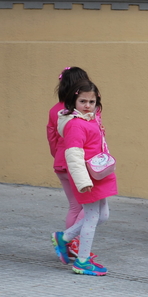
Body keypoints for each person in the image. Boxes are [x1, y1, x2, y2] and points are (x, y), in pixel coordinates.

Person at [51, 79, 115, 275]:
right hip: (87, 178)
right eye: (83, 101)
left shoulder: (91, 119)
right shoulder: (75, 125)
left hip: (98, 173)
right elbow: (73, 155)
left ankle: (64, 238)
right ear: (73, 102)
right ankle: (82, 261)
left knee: (103, 215)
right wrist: (83, 182)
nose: (87, 106)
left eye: (92, 102)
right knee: (92, 216)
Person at [47, 66, 91, 260]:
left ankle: (70, 244)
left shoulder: (54, 110)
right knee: (91, 208)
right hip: (78, 164)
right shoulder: (82, 110)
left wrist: (57, 156)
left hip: (61, 163)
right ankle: (69, 240)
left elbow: (52, 138)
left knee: (75, 206)